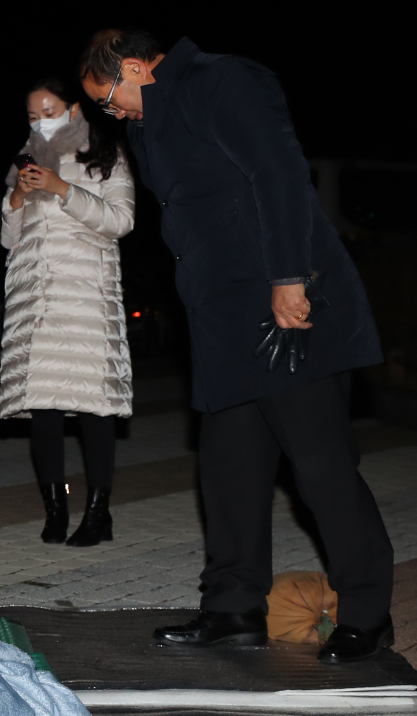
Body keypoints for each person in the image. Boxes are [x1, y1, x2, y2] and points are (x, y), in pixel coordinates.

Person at [79, 30, 392, 662]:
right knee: (229, 472)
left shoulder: (222, 80)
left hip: (280, 308)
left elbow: (277, 174)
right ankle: (232, 610)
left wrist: (288, 278)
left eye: (111, 100)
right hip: (220, 318)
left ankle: (367, 612)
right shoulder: (150, 120)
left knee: (321, 467)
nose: (113, 115)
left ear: (136, 67)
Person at [0, 79, 135, 546]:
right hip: (34, 301)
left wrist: (61, 188)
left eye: (49, 110)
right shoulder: (25, 157)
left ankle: (98, 513)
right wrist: (16, 199)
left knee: (94, 407)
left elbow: (121, 220)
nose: (41, 121)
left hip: (85, 298)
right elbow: (8, 238)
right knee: (45, 413)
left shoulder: (104, 153)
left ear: (74, 108)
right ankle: (55, 510)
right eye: (33, 116)